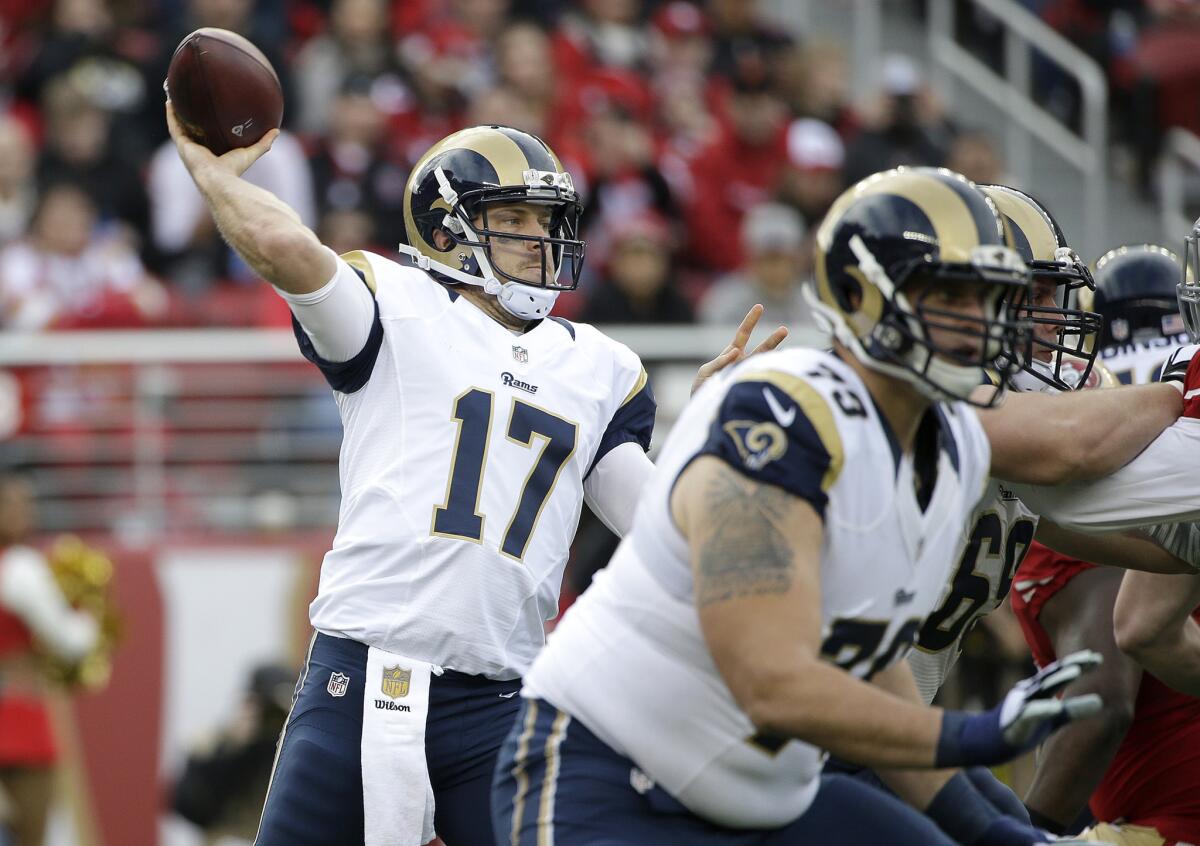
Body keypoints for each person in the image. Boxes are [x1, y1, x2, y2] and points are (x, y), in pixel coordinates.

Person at [165, 104, 784, 846]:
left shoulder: (599, 369)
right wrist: (209, 173)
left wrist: (706, 441)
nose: (540, 240)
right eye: (516, 219)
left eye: (547, 221)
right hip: (362, 676)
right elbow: (277, 241)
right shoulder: (396, 308)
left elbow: (658, 519)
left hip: (497, 701)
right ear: (447, 227)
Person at [493, 166, 1104, 845]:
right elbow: (771, 682)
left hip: (763, 796)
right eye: (949, 295)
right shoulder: (781, 416)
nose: (978, 321)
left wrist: (994, 834)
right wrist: (974, 734)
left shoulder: (955, 441)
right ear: (860, 294)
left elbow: (869, 663)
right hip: (617, 777)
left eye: (989, 296)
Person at [0, 472, 99, 846]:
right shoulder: (20, 567)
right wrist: (90, 616)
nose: (27, 513)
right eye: (16, 505)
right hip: (20, 726)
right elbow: (71, 642)